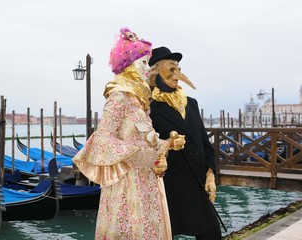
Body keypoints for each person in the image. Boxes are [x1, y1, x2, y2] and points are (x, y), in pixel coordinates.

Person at [73, 28, 184, 240]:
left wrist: (168, 144)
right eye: (143, 64)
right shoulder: (118, 97)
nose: (147, 69)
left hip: (147, 181)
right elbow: (103, 138)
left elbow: (146, 141)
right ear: (129, 66)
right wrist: (140, 155)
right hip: (127, 183)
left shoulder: (139, 100)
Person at [147, 46, 222, 240]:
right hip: (169, 186)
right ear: (156, 72)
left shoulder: (191, 103)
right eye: (171, 69)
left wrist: (210, 173)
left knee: (212, 233)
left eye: (178, 69)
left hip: (197, 183)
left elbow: (205, 143)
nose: (177, 75)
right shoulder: (149, 108)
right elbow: (146, 147)